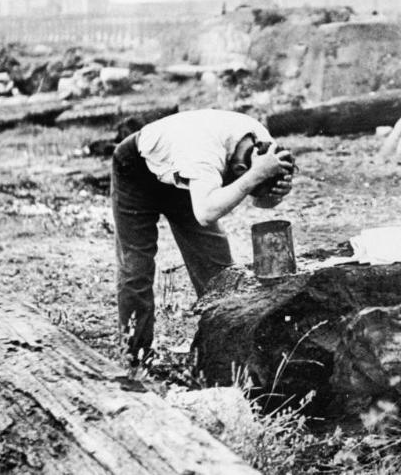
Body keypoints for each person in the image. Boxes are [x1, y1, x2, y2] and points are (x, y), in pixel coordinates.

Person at [110, 109, 294, 366]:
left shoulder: (263, 144)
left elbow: (261, 201)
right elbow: (207, 212)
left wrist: (275, 193)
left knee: (218, 271)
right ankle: (134, 358)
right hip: (137, 169)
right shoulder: (203, 152)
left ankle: (227, 355)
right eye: (247, 174)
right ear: (240, 166)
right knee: (136, 268)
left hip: (187, 179)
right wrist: (255, 176)